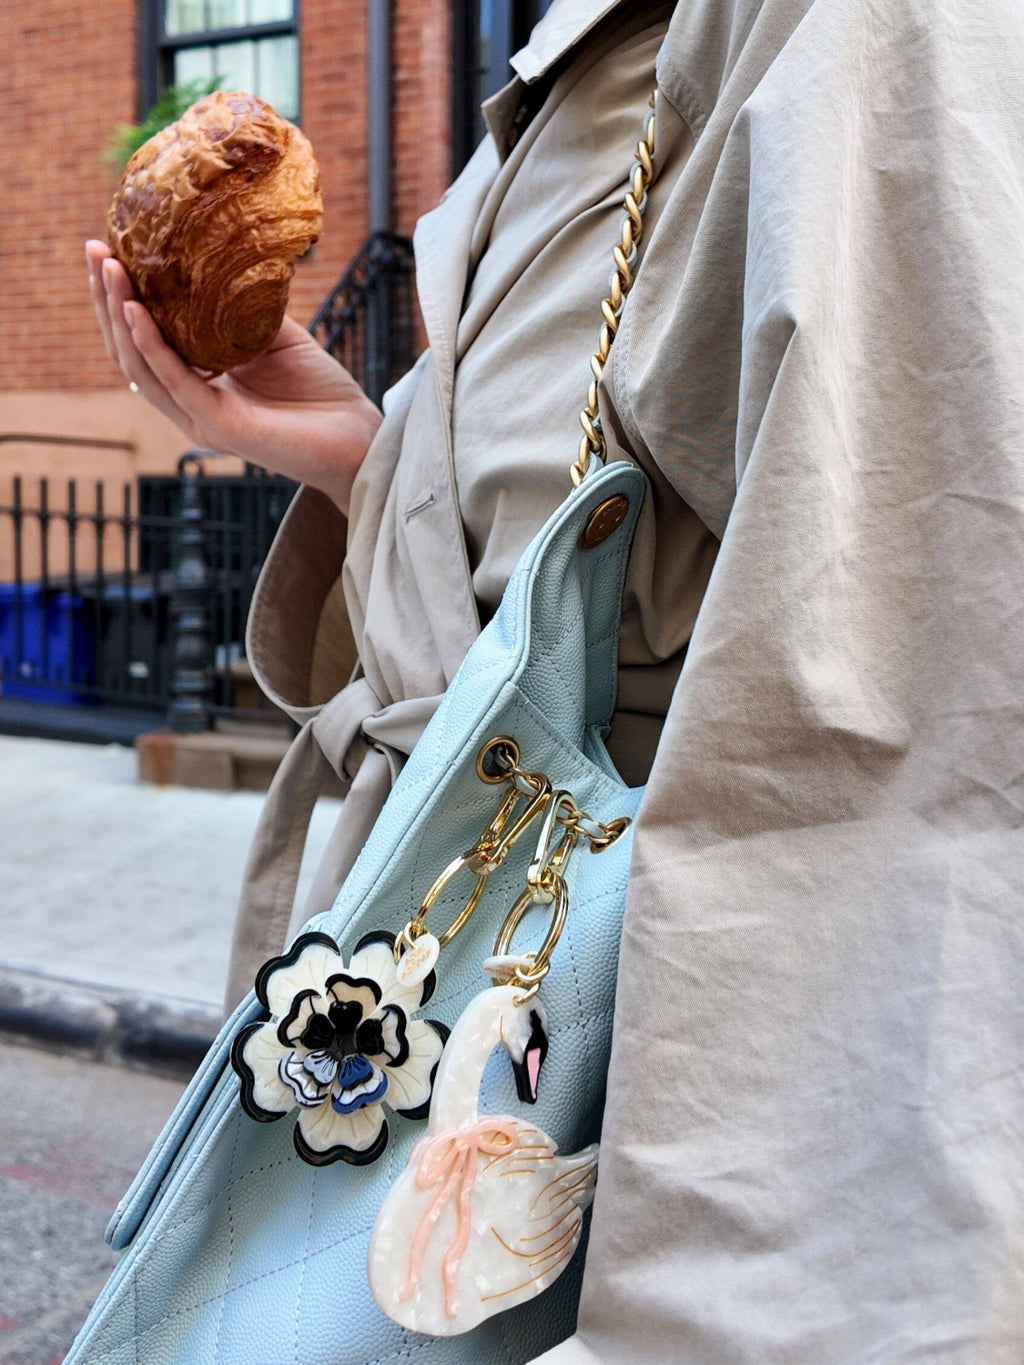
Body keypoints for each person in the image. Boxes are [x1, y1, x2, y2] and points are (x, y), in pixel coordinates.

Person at [86, 0, 1024, 1359]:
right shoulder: (589, 47)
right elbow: (571, 539)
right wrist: (364, 455)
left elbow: (904, 759)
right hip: (456, 977)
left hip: (627, 1082)